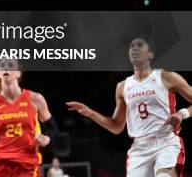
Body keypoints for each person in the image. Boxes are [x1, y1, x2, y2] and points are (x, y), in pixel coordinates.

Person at [66, 35, 191, 177]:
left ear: (151, 54)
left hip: (165, 142)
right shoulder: (123, 87)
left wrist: (182, 114)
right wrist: (90, 113)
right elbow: (117, 126)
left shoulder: (166, 76)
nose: (134, 48)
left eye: (139, 45)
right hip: (139, 148)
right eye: (132, 46)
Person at [0, 59, 57, 177]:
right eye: (2, 66)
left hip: (27, 164)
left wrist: (47, 139)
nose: (6, 68)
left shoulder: (35, 99)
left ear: (18, 73)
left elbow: (53, 128)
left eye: (11, 65)